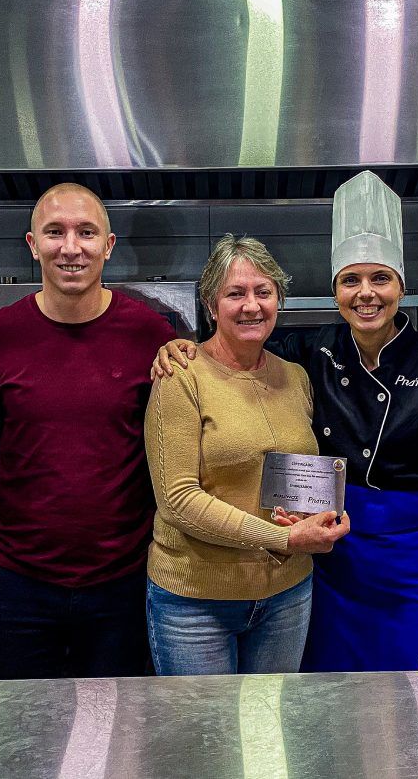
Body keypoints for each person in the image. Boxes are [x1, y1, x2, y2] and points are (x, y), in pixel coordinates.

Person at [155, 172, 418, 672]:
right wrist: (179, 347)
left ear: (401, 286)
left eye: (381, 279)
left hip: (410, 571)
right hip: (328, 565)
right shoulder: (311, 352)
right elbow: (234, 355)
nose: (366, 294)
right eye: (351, 280)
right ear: (335, 292)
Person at [0, 183, 178, 679]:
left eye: (86, 233)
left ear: (108, 245)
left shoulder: (153, 335)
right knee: (20, 731)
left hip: (123, 579)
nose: (70, 247)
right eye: (55, 232)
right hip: (18, 581)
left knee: (116, 731)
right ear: (31, 244)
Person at [144, 234, 351, 675]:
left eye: (263, 292)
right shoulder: (181, 375)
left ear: (279, 299)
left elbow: (293, 476)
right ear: (210, 303)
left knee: (267, 731)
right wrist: (284, 539)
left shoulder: (295, 377)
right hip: (196, 602)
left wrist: (314, 520)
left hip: (287, 594)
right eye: (235, 293)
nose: (251, 305)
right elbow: (178, 500)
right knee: (205, 739)